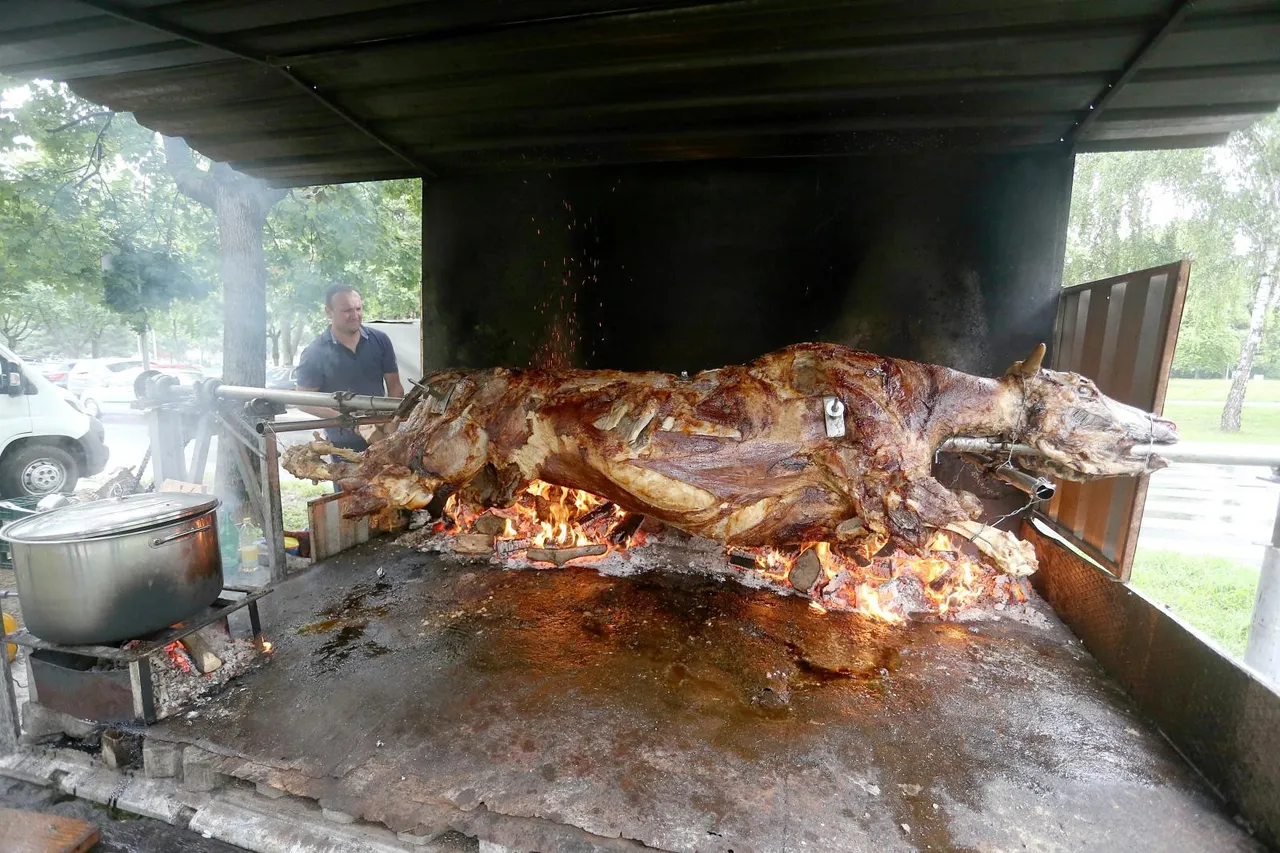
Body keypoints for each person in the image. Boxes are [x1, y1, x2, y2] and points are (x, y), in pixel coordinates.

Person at [295, 285, 404, 456]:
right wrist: (352, 423)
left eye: (358, 308)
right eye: (347, 310)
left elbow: (395, 386)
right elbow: (303, 401)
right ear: (328, 312)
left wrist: (392, 423)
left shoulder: (380, 340)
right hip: (343, 446)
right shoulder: (314, 352)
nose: (355, 315)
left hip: (383, 436)